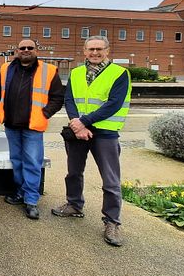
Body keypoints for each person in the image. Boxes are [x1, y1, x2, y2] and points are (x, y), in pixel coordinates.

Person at [51, 36, 131, 247]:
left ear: (107, 50)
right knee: (73, 171)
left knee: (111, 180)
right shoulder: (76, 73)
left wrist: (83, 122)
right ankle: (74, 204)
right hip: (78, 132)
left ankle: (112, 221)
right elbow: (70, 99)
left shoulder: (120, 74)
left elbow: (113, 104)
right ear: (84, 51)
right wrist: (77, 125)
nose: (95, 53)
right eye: (91, 49)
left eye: (99, 49)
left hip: (105, 132)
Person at [0, 39, 64, 220]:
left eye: (30, 48)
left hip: (33, 126)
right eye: (22, 48)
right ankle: (20, 192)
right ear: (17, 51)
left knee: (33, 162)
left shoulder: (48, 71)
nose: (26, 50)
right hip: (11, 124)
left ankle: (31, 200)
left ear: (36, 50)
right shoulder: (5, 69)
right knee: (16, 161)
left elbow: (58, 98)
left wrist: (45, 113)